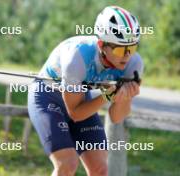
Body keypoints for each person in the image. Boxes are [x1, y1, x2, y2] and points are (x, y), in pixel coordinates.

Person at [28, 5, 143, 176]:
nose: (127, 55)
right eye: (120, 49)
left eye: (132, 48)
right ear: (102, 45)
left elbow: (116, 116)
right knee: (67, 164)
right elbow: (75, 114)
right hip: (47, 95)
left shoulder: (134, 64)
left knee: (100, 169)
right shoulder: (77, 58)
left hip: (80, 97)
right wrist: (107, 95)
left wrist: (124, 97)